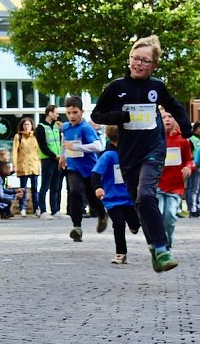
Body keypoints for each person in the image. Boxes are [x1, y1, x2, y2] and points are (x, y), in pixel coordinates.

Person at [90, 35, 190, 272]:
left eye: (145, 61)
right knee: (140, 202)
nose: (138, 64)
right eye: (135, 58)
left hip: (153, 150)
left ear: (154, 65)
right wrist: (119, 117)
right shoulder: (117, 88)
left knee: (146, 196)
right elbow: (97, 115)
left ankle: (162, 248)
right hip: (128, 155)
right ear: (129, 59)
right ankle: (155, 249)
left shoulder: (157, 87)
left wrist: (185, 127)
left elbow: (175, 106)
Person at [92, 126, 141, 264]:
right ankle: (120, 253)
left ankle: (134, 226)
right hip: (112, 200)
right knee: (118, 224)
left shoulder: (130, 154)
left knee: (134, 223)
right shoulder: (108, 156)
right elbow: (96, 173)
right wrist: (98, 187)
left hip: (129, 199)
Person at [61, 96, 105, 242]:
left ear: (82, 111)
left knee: (92, 198)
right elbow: (65, 141)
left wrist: (76, 147)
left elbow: (98, 147)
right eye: (69, 113)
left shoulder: (86, 128)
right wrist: (63, 156)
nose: (72, 116)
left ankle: (102, 215)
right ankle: (77, 227)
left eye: (75, 112)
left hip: (90, 168)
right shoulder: (66, 127)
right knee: (74, 192)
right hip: (74, 167)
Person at [156, 109, 193, 250]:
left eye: (170, 116)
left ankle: (168, 242)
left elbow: (189, 160)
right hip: (158, 184)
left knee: (170, 215)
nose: (167, 119)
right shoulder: (156, 139)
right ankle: (160, 244)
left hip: (175, 186)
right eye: (164, 117)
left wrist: (189, 167)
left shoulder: (183, 140)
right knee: (158, 214)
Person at [36, 104, 63, 219]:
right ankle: (43, 211)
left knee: (56, 186)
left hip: (58, 159)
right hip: (48, 160)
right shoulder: (41, 127)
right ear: (50, 113)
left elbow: (60, 142)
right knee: (45, 186)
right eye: (56, 112)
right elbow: (43, 146)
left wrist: (60, 156)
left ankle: (55, 210)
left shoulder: (57, 127)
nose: (58, 115)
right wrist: (54, 156)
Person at [11, 117, 41, 216]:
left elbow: (39, 151)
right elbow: (15, 151)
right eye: (25, 125)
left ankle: (36, 208)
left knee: (35, 189)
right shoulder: (18, 136)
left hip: (34, 166)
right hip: (23, 166)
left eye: (28, 124)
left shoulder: (35, 136)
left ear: (32, 125)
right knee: (22, 189)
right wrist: (14, 165)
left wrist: (40, 163)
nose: (26, 126)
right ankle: (22, 208)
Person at [186, 121, 200, 217]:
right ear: (197, 128)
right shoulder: (191, 139)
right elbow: (189, 153)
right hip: (195, 167)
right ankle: (192, 208)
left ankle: (199, 207)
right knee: (193, 188)